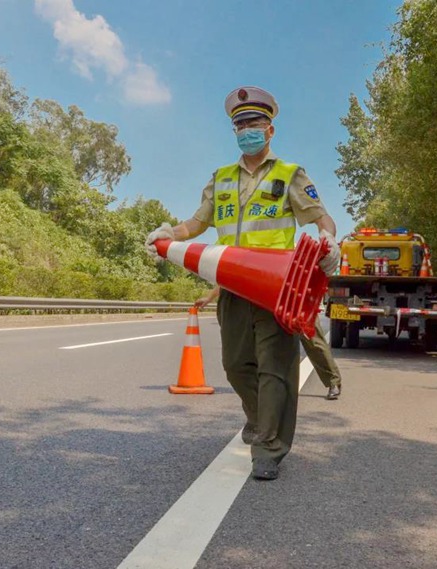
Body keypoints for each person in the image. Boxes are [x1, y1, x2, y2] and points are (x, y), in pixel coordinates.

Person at [145, 86, 340, 481]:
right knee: (235, 367)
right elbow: (197, 224)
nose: (247, 130)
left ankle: (268, 447)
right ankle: (260, 418)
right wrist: (169, 235)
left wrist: (328, 240)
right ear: (234, 132)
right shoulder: (221, 179)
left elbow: (321, 217)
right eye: (240, 125)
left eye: (255, 123)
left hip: (276, 288)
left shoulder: (290, 175)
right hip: (232, 285)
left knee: (275, 369)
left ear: (270, 130)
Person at [195, 286, 342, 400]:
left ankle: (333, 381)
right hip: (271, 298)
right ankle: (267, 394)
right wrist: (210, 297)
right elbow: (230, 275)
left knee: (312, 340)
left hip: (296, 293)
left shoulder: (292, 248)